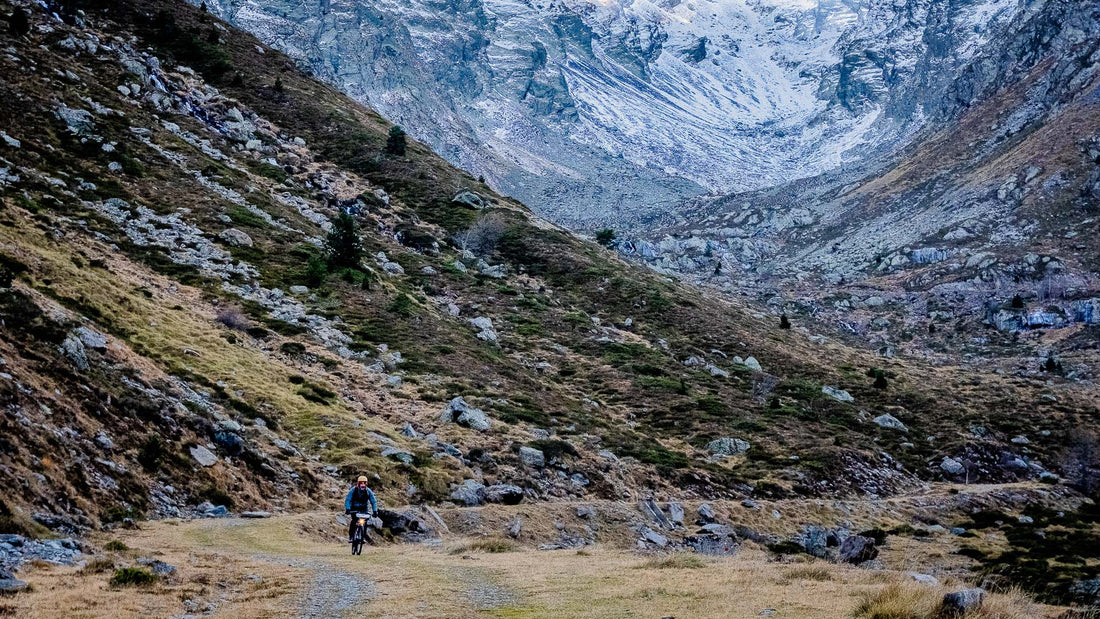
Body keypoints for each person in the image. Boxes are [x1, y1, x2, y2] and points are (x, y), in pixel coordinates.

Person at [344, 475, 377, 543]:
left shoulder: (368, 491)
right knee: (354, 521)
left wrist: (375, 511)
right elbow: (348, 500)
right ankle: (351, 536)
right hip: (354, 509)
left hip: (363, 509)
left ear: (366, 483)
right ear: (358, 483)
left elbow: (373, 502)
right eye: (361, 483)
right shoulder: (353, 490)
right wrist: (348, 509)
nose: (363, 485)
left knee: (364, 523)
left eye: (364, 483)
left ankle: (362, 536)